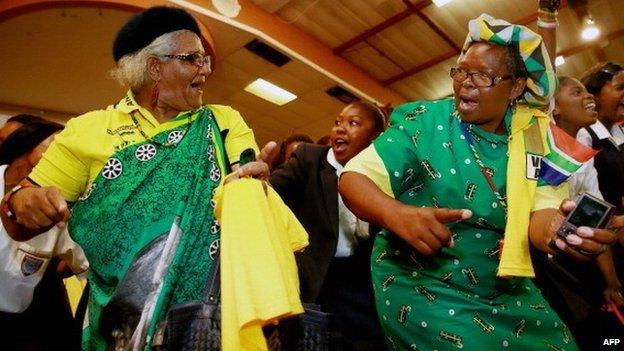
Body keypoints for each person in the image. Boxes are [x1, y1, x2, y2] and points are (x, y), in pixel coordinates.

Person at [338, 14, 621, 350]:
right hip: (423, 281)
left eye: (483, 75)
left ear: (515, 87)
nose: (466, 83)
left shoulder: (532, 136)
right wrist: (395, 213)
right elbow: (355, 178)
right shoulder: (426, 121)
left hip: (504, 284)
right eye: (461, 71)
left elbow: (540, 213)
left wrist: (559, 231)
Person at [1, 7, 274, 350]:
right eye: (192, 58)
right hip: (117, 320)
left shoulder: (222, 123)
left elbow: (247, 171)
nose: (205, 69)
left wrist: (254, 180)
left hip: (205, 319)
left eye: (205, 59)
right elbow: (21, 208)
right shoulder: (88, 131)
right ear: (154, 67)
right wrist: (23, 204)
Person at [270, 101, 387, 350]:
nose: (341, 129)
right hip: (315, 282)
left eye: (353, 123)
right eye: (337, 122)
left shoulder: (386, 175)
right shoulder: (309, 160)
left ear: (374, 137)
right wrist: (256, 182)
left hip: (361, 286)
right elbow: (268, 196)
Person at [531, 77, 624, 350]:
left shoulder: (584, 159)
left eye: (587, 91)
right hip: (544, 267)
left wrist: (611, 282)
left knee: (608, 337)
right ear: (554, 108)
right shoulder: (536, 147)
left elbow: (595, 218)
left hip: (577, 258)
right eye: (577, 92)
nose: (588, 97)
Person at [0, 119, 87, 350]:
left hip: (15, 327)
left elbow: (87, 263)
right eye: (57, 146)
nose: (66, 156)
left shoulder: (59, 208)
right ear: (28, 145)